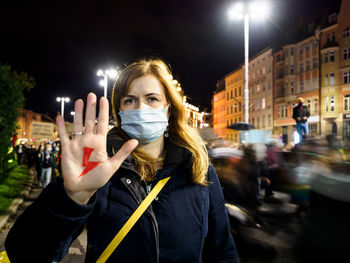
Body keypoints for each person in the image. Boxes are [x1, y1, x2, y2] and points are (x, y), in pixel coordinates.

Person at [5, 59, 238, 262]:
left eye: (152, 99)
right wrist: (72, 196)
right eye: (130, 100)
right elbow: (24, 253)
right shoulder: (99, 169)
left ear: (168, 108)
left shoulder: (197, 167)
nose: (140, 107)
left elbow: (221, 250)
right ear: (119, 111)